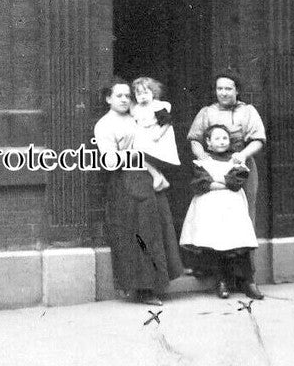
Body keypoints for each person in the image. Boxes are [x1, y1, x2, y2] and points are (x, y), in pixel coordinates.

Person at [94, 78, 183, 306]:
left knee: (157, 228)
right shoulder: (105, 125)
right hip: (127, 181)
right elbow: (110, 160)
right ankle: (143, 289)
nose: (124, 100)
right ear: (108, 99)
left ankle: (158, 282)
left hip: (148, 177)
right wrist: (138, 156)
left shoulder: (137, 116)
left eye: (127, 96)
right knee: (139, 232)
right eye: (119, 96)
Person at [181, 124, 263, 300]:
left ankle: (249, 282)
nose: (222, 141)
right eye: (217, 138)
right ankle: (221, 281)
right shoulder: (202, 162)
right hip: (211, 210)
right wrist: (218, 184)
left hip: (233, 209)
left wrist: (216, 183)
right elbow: (201, 183)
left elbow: (236, 181)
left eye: (225, 138)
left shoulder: (236, 161)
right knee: (217, 244)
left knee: (240, 243)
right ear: (208, 143)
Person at [187, 72, 266, 223]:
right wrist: (201, 155)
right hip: (213, 165)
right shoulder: (207, 112)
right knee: (213, 209)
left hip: (240, 165)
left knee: (244, 208)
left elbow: (258, 140)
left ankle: (244, 247)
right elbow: (194, 139)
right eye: (220, 89)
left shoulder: (247, 111)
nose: (223, 93)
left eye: (228, 89)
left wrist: (243, 155)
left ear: (237, 91)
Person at [130, 76, 179, 191]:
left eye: (145, 93)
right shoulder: (137, 108)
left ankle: (157, 175)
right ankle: (158, 176)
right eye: (139, 94)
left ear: (153, 93)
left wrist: (159, 134)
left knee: (145, 155)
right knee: (139, 155)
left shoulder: (157, 106)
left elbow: (167, 122)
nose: (142, 97)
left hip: (156, 134)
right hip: (144, 134)